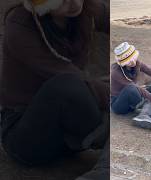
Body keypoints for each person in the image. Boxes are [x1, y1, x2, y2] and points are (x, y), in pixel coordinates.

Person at [0, 0, 108, 179]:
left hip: (67, 136)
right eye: (62, 1)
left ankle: (105, 170)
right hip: (27, 137)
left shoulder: (87, 9)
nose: (73, 4)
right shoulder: (20, 25)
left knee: (118, 91)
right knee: (70, 85)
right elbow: (71, 77)